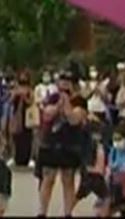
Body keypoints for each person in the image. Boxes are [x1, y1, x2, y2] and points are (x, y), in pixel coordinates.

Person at [36, 72, 84, 218]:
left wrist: (67, 103)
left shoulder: (80, 100)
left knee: (68, 179)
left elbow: (74, 119)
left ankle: (68, 213)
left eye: (67, 81)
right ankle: (42, 212)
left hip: (70, 142)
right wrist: (58, 104)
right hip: (52, 142)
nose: (64, 84)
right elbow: (47, 115)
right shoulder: (53, 98)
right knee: (48, 177)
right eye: (62, 80)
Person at [74, 120, 111, 217]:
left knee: (105, 196)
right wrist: (87, 167)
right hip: (90, 172)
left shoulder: (102, 145)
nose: (98, 136)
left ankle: (102, 214)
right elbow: (85, 156)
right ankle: (68, 211)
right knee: (81, 194)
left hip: (98, 173)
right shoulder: (88, 144)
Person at [9, 71, 36, 168]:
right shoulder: (16, 89)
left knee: (27, 137)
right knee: (16, 137)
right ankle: (16, 157)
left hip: (27, 115)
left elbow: (31, 101)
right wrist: (15, 94)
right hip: (17, 115)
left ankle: (28, 158)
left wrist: (24, 97)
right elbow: (11, 101)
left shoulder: (30, 90)